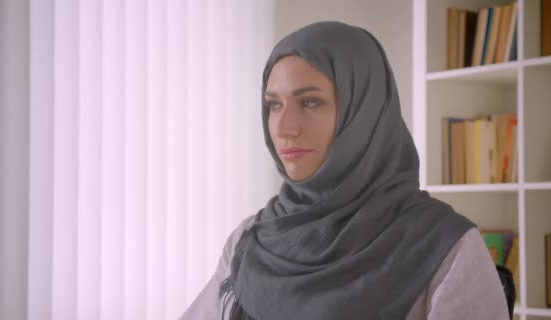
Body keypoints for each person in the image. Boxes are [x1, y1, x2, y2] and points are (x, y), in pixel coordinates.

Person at [181, 21, 509, 319]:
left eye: (310, 102)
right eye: (274, 105)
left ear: (364, 113)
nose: (283, 128)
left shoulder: (445, 247)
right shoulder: (250, 241)